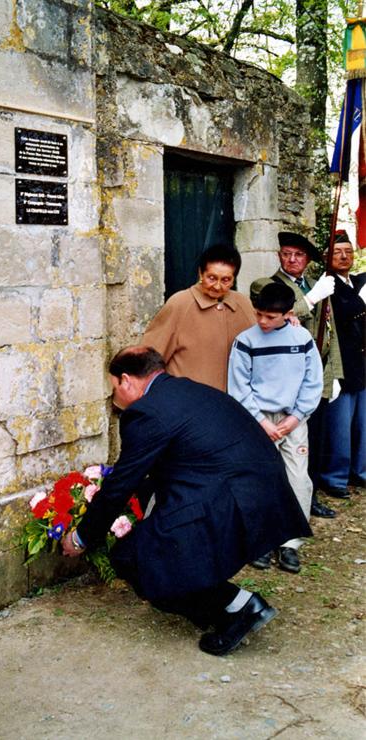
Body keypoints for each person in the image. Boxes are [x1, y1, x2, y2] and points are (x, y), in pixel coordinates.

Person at [62, 346, 311, 656]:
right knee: (166, 542)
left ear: (126, 380)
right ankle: (228, 609)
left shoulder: (146, 411)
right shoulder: (188, 389)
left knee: (132, 557)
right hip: (260, 487)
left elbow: (121, 484)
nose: (116, 398)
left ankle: (240, 608)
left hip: (228, 496)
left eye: (114, 388)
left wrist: (83, 535)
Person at [228, 283, 323, 574]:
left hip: (294, 418)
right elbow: (239, 385)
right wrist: (262, 422)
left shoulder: (302, 338)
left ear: (288, 314)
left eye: (270, 317)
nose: (262, 322)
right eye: (258, 314)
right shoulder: (245, 341)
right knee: (259, 478)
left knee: (297, 477)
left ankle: (290, 543)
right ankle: (261, 539)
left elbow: (313, 380)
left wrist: (295, 418)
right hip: (259, 420)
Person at [250, 232, 343, 519]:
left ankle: (308, 497)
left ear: (307, 261)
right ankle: (280, 502)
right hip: (283, 383)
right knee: (281, 448)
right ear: (279, 255)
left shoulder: (316, 284)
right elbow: (281, 311)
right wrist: (312, 299)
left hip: (316, 377)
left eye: (298, 255)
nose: (291, 259)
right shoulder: (265, 285)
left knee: (314, 440)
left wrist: (335, 373)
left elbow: (331, 330)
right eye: (286, 253)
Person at [141, 244, 255, 391]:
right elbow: (151, 357)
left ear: (234, 280)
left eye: (226, 280)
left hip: (233, 406)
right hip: (186, 403)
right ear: (201, 273)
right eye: (212, 278)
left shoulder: (243, 303)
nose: (217, 286)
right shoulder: (180, 303)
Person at [320, 230, 366, 496]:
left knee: (362, 423)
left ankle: (359, 472)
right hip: (341, 363)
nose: (343, 256)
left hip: (361, 364)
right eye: (337, 252)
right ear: (327, 257)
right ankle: (335, 478)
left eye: (348, 251)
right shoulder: (327, 286)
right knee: (340, 427)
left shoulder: (356, 282)